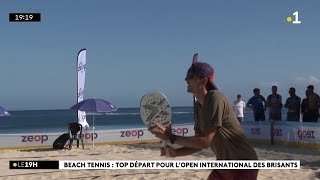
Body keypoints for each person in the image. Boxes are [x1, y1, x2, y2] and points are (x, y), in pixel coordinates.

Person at [149, 62, 259, 180]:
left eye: (190, 76)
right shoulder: (198, 106)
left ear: (203, 81)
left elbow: (204, 142)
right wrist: (176, 153)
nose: (186, 79)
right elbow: (198, 144)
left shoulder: (215, 98)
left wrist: (170, 137)